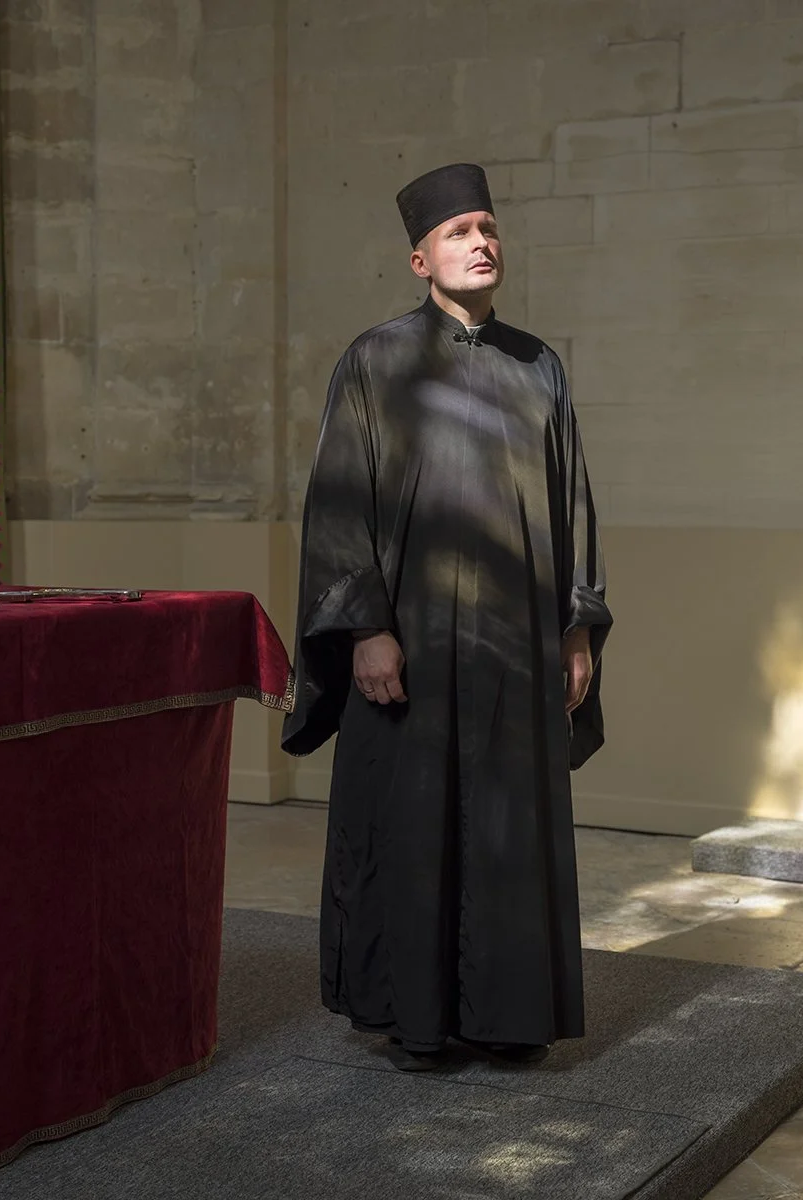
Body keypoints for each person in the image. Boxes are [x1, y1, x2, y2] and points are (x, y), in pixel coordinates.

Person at [282, 162, 612, 1071]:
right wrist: (367, 629)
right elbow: (339, 504)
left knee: (510, 828)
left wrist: (576, 625)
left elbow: (572, 499)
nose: (482, 242)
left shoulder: (536, 363)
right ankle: (415, 1022)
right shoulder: (375, 360)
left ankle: (513, 1018)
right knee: (412, 825)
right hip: (413, 649)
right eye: (461, 231)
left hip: (515, 652)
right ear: (419, 257)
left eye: (489, 228)